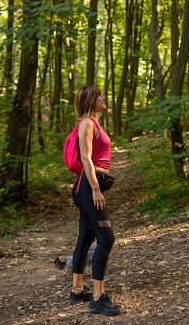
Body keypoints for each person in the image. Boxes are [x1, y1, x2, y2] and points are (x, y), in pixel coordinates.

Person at [69, 85, 121, 316]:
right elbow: (85, 158)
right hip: (88, 188)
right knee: (106, 238)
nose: (104, 97)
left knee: (86, 237)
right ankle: (98, 298)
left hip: (87, 187)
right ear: (91, 100)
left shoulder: (93, 124)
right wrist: (96, 190)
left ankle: (77, 290)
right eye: (100, 95)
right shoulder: (87, 124)